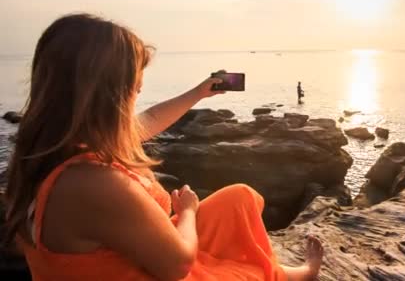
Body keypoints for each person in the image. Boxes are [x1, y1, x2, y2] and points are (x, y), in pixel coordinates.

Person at [3, 14, 323, 281]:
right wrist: (187, 212)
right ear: (110, 95)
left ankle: (278, 270)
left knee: (236, 199)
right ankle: (286, 276)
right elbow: (178, 265)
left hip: (135, 261)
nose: (135, 100)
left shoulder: (54, 150)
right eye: (135, 90)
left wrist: (199, 92)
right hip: (164, 269)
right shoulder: (93, 183)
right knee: (239, 264)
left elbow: (148, 121)